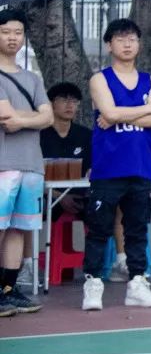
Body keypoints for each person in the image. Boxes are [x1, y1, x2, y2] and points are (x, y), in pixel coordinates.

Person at [82, 18, 151, 311]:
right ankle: (93, 284)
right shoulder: (100, 80)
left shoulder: (149, 81)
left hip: (140, 168)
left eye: (132, 39)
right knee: (99, 229)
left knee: (137, 229)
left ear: (139, 44)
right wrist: (148, 109)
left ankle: (138, 284)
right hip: (108, 169)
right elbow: (110, 113)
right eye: (120, 39)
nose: (127, 44)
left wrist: (120, 114)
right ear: (109, 45)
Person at [0, 8, 52, 316]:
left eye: (18, 32)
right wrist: (34, 117)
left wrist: (24, 120)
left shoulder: (32, 78)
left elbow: (49, 116)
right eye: (6, 32)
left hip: (31, 163)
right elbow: (7, 119)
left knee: (19, 228)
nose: (13, 38)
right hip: (3, 164)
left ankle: (8, 289)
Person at [17, 82, 94, 289]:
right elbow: (30, 173)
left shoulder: (85, 135)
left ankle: (97, 265)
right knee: (27, 207)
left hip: (79, 197)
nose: (70, 105)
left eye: (74, 101)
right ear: (51, 104)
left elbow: (92, 170)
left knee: (103, 207)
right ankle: (28, 265)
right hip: (45, 195)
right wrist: (59, 195)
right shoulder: (38, 135)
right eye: (64, 100)